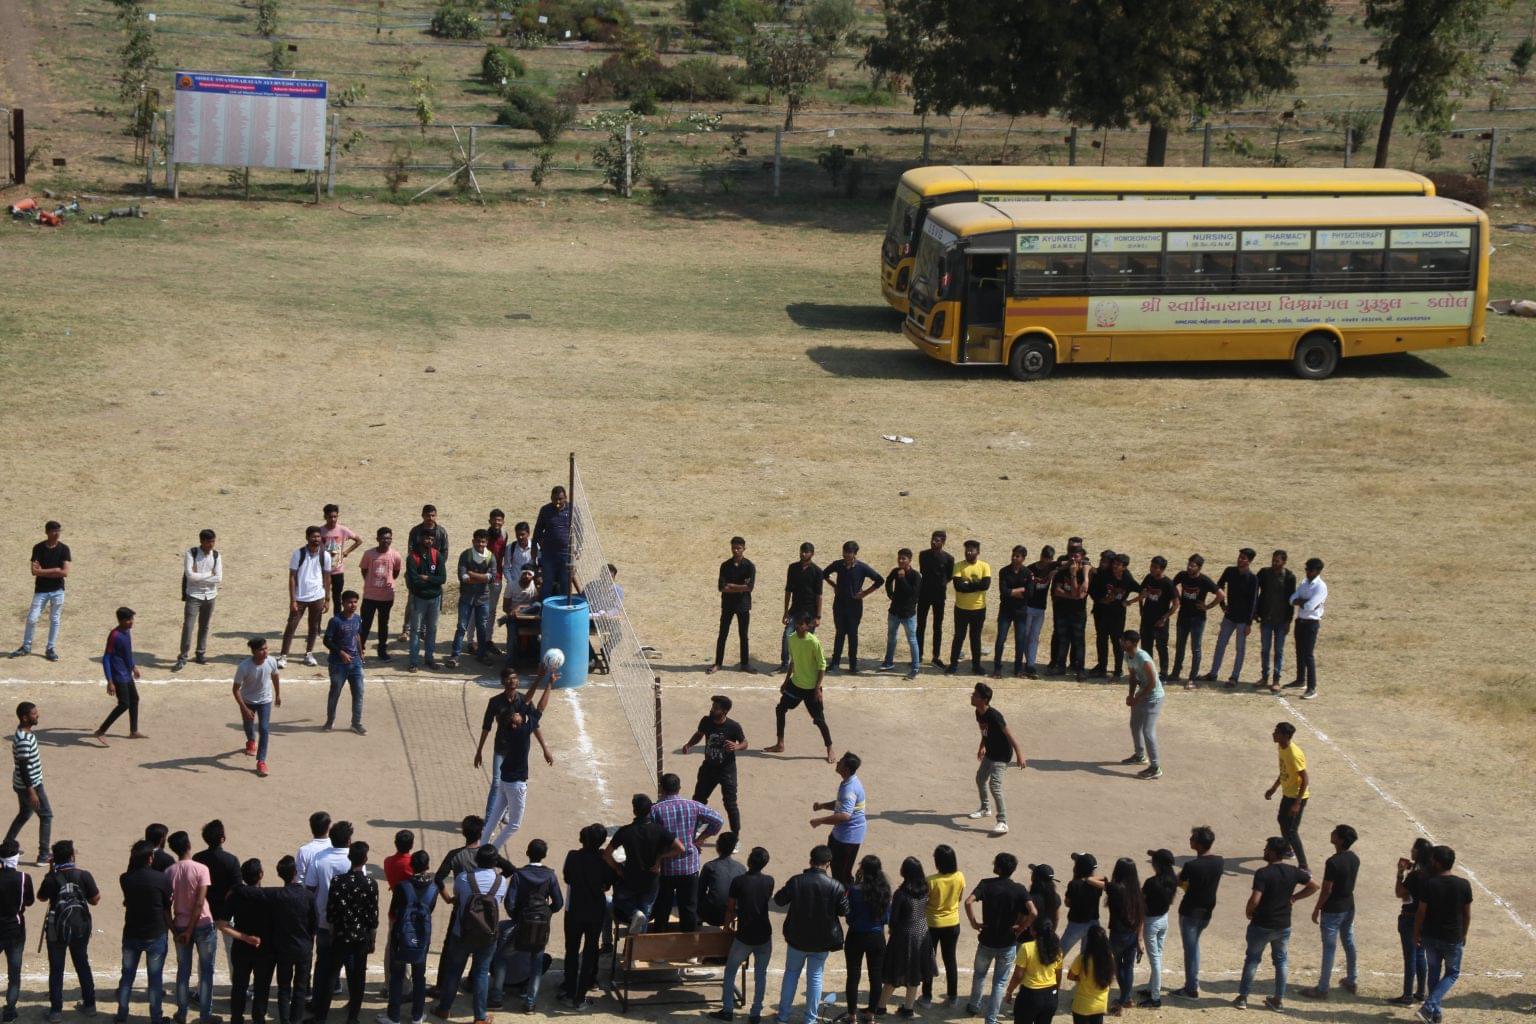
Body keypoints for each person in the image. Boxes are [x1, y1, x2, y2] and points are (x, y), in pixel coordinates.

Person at [1233, 836, 1318, 1011]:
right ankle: (1278, 1000)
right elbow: (1314, 886)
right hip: (1283, 925)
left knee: (1252, 960)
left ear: (1272, 852)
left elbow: (1255, 899)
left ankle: (1242, 998)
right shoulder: (1293, 871)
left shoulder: (1263, 873)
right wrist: (1294, 897)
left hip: (1262, 924)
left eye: (1266, 849)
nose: (1264, 851)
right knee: (1281, 962)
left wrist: (1249, 912)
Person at [772, 846, 848, 1024]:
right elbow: (844, 911)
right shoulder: (836, 886)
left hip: (797, 939)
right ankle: (810, 1020)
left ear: (810, 861)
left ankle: (783, 1017)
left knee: (791, 974)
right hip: (822, 941)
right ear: (828, 864)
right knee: (815, 978)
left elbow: (779, 899)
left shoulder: (797, 881)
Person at [482, 668, 555, 850]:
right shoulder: (523, 732)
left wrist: (538, 679)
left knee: (493, 820)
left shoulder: (510, 728)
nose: (518, 712)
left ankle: (483, 846)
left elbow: (526, 700)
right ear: (516, 723)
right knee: (514, 824)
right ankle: (494, 850)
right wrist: (549, 684)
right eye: (516, 714)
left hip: (506, 781)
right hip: (516, 784)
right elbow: (540, 707)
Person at [434, 846, 505, 1024]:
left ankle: (443, 1009)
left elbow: (458, 898)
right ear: (494, 862)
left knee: (453, 972)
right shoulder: (501, 881)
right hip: (488, 935)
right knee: (481, 973)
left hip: (462, 933)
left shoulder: (463, 879)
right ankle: (480, 1017)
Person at [648, 773, 724, 932]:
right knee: (689, 908)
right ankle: (690, 951)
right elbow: (718, 820)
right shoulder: (693, 805)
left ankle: (658, 947)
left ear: (661, 788)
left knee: (663, 907)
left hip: (666, 868)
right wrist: (700, 839)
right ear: (679, 788)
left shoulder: (655, 810)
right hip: (689, 866)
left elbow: (650, 836)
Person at [312, 842, 376, 1024]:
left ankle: (321, 1017)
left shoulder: (338, 881)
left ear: (350, 858)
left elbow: (331, 913)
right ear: (365, 860)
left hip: (340, 936)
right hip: (361, 937)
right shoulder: (370, 884)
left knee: (331, 976)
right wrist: (372, 940)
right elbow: (372, 916)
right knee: (358, 977)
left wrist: (332, 935)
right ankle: (353, 1017)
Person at [964, 853, 1029, 1024]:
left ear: (998, 868)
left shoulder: (986, 884)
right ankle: (991, 1019)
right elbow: (1034, 912)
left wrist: (974, 923)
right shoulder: (1019, 889)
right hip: (1007, 942)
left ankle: (973, 1005)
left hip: (986, 940)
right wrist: (1021, 928)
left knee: (979, 975)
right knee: (999, 983)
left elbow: (968, 902)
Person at [39, 839, 100, 1022]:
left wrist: (51, 873)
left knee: (56, 969)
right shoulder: (84, 875)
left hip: (55, 929)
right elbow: (95, 900)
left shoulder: (51, 878)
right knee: (82, 964)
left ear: (54, 859)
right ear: (72, 856)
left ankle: (56, 1011)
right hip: (80, 927)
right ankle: (90, 1005)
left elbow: (41, 898)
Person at [605, 795, 683, 935]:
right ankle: (637, 951)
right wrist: (660, 858)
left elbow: (607, 854)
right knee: (646, 910)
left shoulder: (625, 831)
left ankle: (634, 912)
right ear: (650, 811)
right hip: (651, 879)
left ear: (635, 811)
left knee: (618, 899)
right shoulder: (659, 830)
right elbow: (680, 848)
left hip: (630, 878)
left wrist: (618, 868)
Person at [1414, 844, 1472, 1024]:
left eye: (1432, 859)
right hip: (1452, 937)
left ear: (1437, 863)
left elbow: (1421, 912)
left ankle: (1434, 1013)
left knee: (1434, 972)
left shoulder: (1430, 884)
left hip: (1431, 936)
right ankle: (1430, 1008)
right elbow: (1466, 914)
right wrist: (1464, 934)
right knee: (1452, 973)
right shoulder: (1463, 884)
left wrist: (1417, 933)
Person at [116, 840, 173, 1024]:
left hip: (132, 933)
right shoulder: (162, 878)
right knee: (155, 980)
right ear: (150, 858)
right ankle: (156, 1018)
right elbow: (166, 904)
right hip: (156, 933)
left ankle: (121, 1015)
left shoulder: (125, 878)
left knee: (127, 977)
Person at [1301, 824, 1359, 1001]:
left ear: (1340, 839)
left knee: (1329, 948)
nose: (1331, 833)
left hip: (1333, 909)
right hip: (1348, 906)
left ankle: (1322, 988)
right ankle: (1351, 979)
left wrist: (1317, 908)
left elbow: (1326, 890)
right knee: (1348, 941)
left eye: (1335, 832)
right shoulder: (1354, 858)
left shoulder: (1333, 862)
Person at [716, 846, 773, 1023]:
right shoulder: (769, 881)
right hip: (764, 934)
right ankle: (755, 1013)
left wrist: (726, 926)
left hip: (744, 936)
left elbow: (730, 907)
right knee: (760, 975)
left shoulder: (739, 881)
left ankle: (727, 1009)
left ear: (749, 861)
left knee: (730, 970)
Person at [558, 825, 612, 1010]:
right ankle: (581, 995)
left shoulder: (572, 856)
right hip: (595, 912)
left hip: (574, 911)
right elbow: (609, 883)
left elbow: (567, 878)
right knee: (590, 952)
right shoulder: (604, 860)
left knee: (571, 951)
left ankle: (569, 988)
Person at [167, 830, 218, 1024]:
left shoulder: (169, 872)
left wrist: (176, 930)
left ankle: (181, 1013)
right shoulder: (201, 869)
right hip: (203, 924)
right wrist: (190, 930)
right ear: (188, 845)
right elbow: (199, 902)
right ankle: (205, 1016)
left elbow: (165, 905)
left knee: (183, 971)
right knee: (206, 972)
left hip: (180, 926)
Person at [766, 615, 832, 762]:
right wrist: (785, 681)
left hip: (811, 688)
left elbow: (822, 666)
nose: (798, 626)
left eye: (801, 624)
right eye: (797, 623)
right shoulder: (792, 639)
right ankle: (780, 743)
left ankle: (830, 749)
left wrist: (817, 689)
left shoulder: (814, 642)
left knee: (819, 720)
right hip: (795, 684)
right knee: (780, 709)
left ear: (808, 626)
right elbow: (793, 661)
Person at [506, 839, 563, 1011]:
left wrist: (518, 918)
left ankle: (496, 993)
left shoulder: (518, 875)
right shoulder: (550, 875)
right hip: (540, 926)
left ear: (527, 853)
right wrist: (545, 914)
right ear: (544, 855)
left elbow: (510, 903)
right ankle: (530, 1002)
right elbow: (558, 902)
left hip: (520, 924)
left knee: (503, 955)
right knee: (537, 962)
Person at [1170, 825, 1222, 1000]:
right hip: (1207, 912)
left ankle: (1191, 988)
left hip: (1190, 911)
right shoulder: (1219, 861)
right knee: (1194, 947)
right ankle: (1193, 983)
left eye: (1192, 839)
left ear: (1198, 844)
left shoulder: (1191, 866)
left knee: (1190, 950)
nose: (1190, 840)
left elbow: (1178, 881)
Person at [684, 695, 747, 835]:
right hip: (708, 768)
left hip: (727, 771)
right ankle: (698, 825)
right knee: (698, 799)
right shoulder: (706, 721)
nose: (712, 710)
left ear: (724, 711)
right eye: (712, 707)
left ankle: (735, 836)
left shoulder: (733, 726)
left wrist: (737, 746)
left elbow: (745, 743)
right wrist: (689, 744)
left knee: (730, 804)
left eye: (716, 708)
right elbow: (699, 734)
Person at [967, 683, 1025, 836]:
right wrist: (981, 747)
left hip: (1002, 755)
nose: (972, 696)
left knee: (994, 785)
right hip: (991, 752)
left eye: (975, 695)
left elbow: (1009, 735)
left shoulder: (994, 715)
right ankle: (985, 809)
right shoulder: (978, 713)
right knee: (980, 779)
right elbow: (984, 732)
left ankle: (1003, 821)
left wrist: (1019, 754)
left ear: (984, 699)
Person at [220, 859, 271, 1024]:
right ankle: (259, 1018)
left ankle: (236, 1018)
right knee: (262, 986)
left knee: (239, 985)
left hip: (241, 947)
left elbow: (222, 925)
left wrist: (245, 938)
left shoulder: (235, 896)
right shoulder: (268, 897)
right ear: (261, 874)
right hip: (262, 948)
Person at [881, 857, 933, 1018]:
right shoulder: (925, 889)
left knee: (894, 971)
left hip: (904, 935)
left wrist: (892, 930)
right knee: (915, 972)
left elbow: (894, 918)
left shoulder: (901, 894)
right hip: (922, 933)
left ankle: (880, 1006)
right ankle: (908, 1008)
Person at [12, 520, 72, 662]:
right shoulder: (38, 548)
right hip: (41, 590)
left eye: (58, 531)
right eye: (53, 531)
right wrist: (55, 570)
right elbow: (34, 571)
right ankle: (26, 646)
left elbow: (64, 572)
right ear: (47, 532)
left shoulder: (64, 549)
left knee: (55, 619)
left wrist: (44, 571)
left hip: (57, 590)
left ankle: (50, 648)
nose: (57, 534)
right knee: (32, 618)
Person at [266, 855, 315, 1024]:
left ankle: (285, 1021)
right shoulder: (308, 895)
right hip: (303, 947)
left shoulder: (277, 896)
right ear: (295, 872)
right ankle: (295, 1021)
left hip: (283, 948)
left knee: (284, 988)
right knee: (300, 988)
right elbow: (314, 924)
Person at [823, 542, 884, 675]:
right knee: (839, 633)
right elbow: (824, 574)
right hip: (839, 605)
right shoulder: (838, 564)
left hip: (854, 606)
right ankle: (835, 663)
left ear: (854, 554)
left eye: (849, 553)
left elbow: (879, 580)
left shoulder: (862, 568)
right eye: (844, 552)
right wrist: (834, 585)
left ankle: (853, 665)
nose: (846, 555)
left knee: (852, 635)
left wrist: (865, 593)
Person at [843, 855, 891, 1022]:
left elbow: (847, 914)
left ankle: (852, 1015)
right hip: (876, 937)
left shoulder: (854, 890)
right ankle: (871, 1014)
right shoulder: (885, 889)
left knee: (853, 975)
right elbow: (886, 918)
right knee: (876, 976)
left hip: (855, 935)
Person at [1389, 839, 1434, 1007]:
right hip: (1425, 919)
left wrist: (1400, 873)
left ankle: (1407, 995)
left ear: (1419, 852)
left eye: (1414, 849)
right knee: (1420, 954)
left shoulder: (1416, 875)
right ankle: (1421, 992)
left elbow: (1400, 892)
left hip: (1410, 918)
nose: (1411, 851)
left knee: (1410, 957)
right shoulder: (1430, 872)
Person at [1204, 548, 1258, 686]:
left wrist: (1249, 623)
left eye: (1244, 558)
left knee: (1239, 648)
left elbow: (1253, 602)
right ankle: (1213, 673)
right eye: (1240, 556)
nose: (1240, 559)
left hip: (1242, 620)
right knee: (1220, 644)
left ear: (1249, 561)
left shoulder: (1252, 578)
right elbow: (1219, 586)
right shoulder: (1229, 571)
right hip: (1229, 616)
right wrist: (1222, 605)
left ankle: (1234, 677)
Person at [279, 526, 332, 669]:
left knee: (314, 627)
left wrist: (327, 598)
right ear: (307, 538)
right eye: (313, 537)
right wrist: (293, 600)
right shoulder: (298, 554)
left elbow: (327, 578)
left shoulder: (325, 555)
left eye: (318, 537)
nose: (316, 540)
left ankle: (309, 654)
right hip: (300, 597)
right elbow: (292, 578)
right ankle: (283, 655)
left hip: (317, 596)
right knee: (291, 626)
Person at [810, 752, 866, 886]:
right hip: (840, 835)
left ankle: (844, 901)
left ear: (846, 769)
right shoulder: (848, 782)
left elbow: (845, 815)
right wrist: (823, 806)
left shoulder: (850, 789)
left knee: (841, 873)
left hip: (848, 838)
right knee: (835, 867)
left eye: (840, 762)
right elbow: (841, 805)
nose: (837, 763)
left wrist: (820, 820)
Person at [193, 820, 241, 967]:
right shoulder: (231, 860)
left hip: (205, 912)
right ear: (222, 839)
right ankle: (238, 986)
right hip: (227, 912)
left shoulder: (198, 859)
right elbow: (237, 887)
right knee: (232, 951)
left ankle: (203, 988)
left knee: (205, 954)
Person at [921, 846, 964, 1008]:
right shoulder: (960, 876)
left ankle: (926, 996)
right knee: (950, 959)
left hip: (932, 924)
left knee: (929, 959)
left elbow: (924, 902)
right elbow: (959, 898)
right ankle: (953, 997)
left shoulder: (931, 880)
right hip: (953, 923)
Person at [6, 702, 49, 863]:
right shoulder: (24, 739)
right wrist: (32, 792)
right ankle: (44, 855)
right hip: (30, 785)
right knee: (46, 816)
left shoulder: (24, 733)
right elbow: (24, 767)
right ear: (25, 718)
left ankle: (7, 845)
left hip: (21, 784)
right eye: (34, 713)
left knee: (24, 813)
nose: (37, 715)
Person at [93, 607, 144, 744]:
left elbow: (127, 652)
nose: (132, 622)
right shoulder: (114, 635)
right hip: (118, 675)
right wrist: (110, 681)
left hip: (126, 674)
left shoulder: (126, 632)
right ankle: (101, 731)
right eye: (129, 620)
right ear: (121, 620)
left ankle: (134, 731)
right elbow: (106, 658)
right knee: (124, 704)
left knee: (134, 699)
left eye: (132, 619)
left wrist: (133, 667)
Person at [175, 529, 222, 672]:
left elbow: (218, 578)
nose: (211, 545)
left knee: (204, 625)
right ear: (201, 541)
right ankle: (183, 657)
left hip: (210, 595)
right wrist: (209, 574)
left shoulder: (216, 555)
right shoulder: (191, 553)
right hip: (194, 595)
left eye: (213, 541)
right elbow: (190, 576)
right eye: (208, 542)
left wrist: (199, 575)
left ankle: (200, 653)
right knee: (188, 626)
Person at [233, 637, 281, 778]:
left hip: (265, 700)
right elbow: (235, 689)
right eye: (261, 649)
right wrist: (245, 708)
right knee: (248, 725)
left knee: (264, 729)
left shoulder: (271, 661)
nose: (265, 652)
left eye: (266, 648)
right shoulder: (244, 667)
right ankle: (251, 741)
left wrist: (278, 695)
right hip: (247, 700)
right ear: (254, 651)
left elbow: (275, 677)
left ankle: (261, 761)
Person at [400, 505, 448, 647]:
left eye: (433, 515)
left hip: (434, 572)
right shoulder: (415, 531)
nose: (430, 518)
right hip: (417, 571)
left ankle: (424, 630)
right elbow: (410, 550)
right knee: (413, 600)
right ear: (422, 515)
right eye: (427, 515)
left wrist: (436, 567)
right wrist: (417, 568)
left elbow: (444, 551)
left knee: (432, 600)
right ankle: (406, 629)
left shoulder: (441, 532)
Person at [1266, 721, 1310, 871]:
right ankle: (1287, 849)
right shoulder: (1281, 747)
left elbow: (1305, 779)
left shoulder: (1294, 754)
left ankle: (1304, 866)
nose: (1273, 734)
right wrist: (1274, 788)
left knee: (1292, 831)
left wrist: (1297, 803)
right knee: (1281, 820)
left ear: (1285, 736)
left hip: (1297, 796)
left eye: (1276, 732)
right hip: (1287, 793)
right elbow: (1284, 770)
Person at [448, 530, 496, 669]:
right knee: (461, 627)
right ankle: (455, 655)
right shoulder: (466, 555)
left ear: (486, 542)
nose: (481, 544)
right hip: (467, 598)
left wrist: (472, 574)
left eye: (483, 542)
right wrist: (481, 578)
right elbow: (462, 577)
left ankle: (481, 655)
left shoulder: (490, 557)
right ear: (473, 541)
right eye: (478, 541)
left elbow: (491, 578)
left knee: (482, 628)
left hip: (483, 598)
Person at [1120, 630, 1164, 780]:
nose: (1121, 642)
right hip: (1142, 695)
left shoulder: (1143, 658)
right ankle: (1139, 756)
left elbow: (1152, 682)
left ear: (1132, 643)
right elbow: (1132, 678)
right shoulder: (1128, 656)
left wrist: (1138, 696)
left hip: (1154, 698)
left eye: (1124, 640)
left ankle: (1155, 767)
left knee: (1147, 731)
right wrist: (1131, 695)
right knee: (1134, 725)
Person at [322, 591, 367, 735]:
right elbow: (327, 640)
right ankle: (330, 721)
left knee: (359, 693)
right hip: (338, 664)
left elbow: (357, 635)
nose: (353, 605)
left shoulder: (357, 619)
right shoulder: (335, 621)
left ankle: (356, 723)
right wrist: (341, 653)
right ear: (343, 603)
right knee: (335, 693)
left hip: (356, 663)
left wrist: (360, 652)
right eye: (349, 602)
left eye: (355, 602)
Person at [1169, 554, 1218, 684]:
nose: (1189, 567)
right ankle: (1175, 674)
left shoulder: (1204, 580)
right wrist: (1177, 596)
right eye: (1189, 564)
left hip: (1198, 619)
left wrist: (1208, 606)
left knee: (1195, 648)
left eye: (1193, 565)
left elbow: (1221, 595)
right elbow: (1171, 585)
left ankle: (1192, 678)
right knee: (1180, 646)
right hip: (1183, 616)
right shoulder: (1182, 575)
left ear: (1199, 567)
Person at [1103, 858, 1144, 1014]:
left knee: (1118, 966)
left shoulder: (1115, 888)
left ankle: (1123, 1000)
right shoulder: (1136, 891)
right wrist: (1140, 939)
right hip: (1132, 935)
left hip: (1118, 934)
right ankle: (1126, 998)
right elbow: (1141, 917)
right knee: (1128, 967)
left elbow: (1097, 883)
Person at [1088, 553, 1138, 680]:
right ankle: (1102, 668)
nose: (1114, 566)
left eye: (1117, 564)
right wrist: (1102, 600)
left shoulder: (1127, 578)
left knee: (1117, 642)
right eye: (1114, 563)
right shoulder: (1104, 575)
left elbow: (1142, 589)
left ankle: (1118, 670)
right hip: (1101, 613)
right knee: (1101, 640)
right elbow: (1093, 591)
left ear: (1124, 567)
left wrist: (1130, 602)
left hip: (1117, 615)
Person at [711, 537, 756, 674]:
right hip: (728, 605)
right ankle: (718, 663)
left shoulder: (749, 566)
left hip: (743, 605)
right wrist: (740, 587)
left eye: (738, 548)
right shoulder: (725, 566)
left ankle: (745, 663)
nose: (736, 551)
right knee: (723, 634)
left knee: (743, 635)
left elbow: (749, 588)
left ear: (744, 549)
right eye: (734, 548)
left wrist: (732, 585)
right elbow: (721, 587)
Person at [1139, 849, 1177, 1008]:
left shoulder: (1151, 882)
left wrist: (1139, 933)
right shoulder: (1173, 879)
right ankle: (1151, 988)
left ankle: (1155, 997)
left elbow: (1141, 904)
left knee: (1155, 960)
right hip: (1164, 919)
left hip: (1152, 922)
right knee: (1158, 955)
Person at [1254, 551, 1297, 691]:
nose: (1274, 563)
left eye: (1277, 561)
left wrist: (1288, 621)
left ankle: (1276, 679)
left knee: (1279, 651)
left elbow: (1291, 600)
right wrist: (1255, 611)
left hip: (1281, 620)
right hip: (1266, 618)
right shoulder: (1264, 573)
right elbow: (1254, 588)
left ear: (1284, 562)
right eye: (1273, 560)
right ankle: (1264, 677)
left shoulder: (1289, 577)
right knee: (1265, 649)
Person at [404, 532, 446, 673]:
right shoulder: (412, 558)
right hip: (419, 598)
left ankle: (429, 658)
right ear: (420, 538)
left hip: (435, 599)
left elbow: (442, 579)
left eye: (431, 539)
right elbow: (414, 581)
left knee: (432, 629)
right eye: (426, 538)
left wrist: (427, 578)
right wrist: (432, 582)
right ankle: (413, 662)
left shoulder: (437, 555)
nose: (429, 541)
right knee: (416, 630)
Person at [358, 528, 402, 662]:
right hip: (370, 596)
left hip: (386, 597)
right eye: (383, 538)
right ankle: (360, 650)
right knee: (365, 624)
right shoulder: (369, 554)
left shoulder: (395, 555)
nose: (386, 541)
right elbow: (364, 570)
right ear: (377, 539)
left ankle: (382, 650)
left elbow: (395, 573)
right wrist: (371, 584)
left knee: (383, 625)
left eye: (389, 538)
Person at [1008, 917, 1064, 1024]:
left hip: (1030, 996)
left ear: (1034, 932)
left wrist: (1009, 991)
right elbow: (1058, 976)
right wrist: (1055, 993)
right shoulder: (1057, 949)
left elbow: (1018, 976)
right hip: (1050, 997)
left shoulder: (1026, 947)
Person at [0, 839, 32, 1021]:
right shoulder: (23, 878)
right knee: (14, 974)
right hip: (15, 930)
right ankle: (10, 1011)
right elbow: (29, 901)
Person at [947, 541, 990, 675]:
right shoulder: (958, 566)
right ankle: (953, 665)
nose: (968, 552)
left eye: (971, 550)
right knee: (959, 636)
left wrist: (968, 583)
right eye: (967, 550)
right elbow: (959, 587)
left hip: (978, 609)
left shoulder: (984, 566)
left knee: (975, 637)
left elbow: (985, 585)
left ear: (978, 552)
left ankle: (976, 666)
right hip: (961, 609)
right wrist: (975, 584)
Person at [778, 543, 823, 674]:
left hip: (810, 612)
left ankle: (802, 666)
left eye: (807, 552)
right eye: (802, 551)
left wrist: (818, 616)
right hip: (795, 610)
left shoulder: (817, 571)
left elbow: (819, 595)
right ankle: (784, 664)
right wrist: (785, 611)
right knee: (787, 636)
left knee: (806, 640)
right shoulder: (793, 568)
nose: (803, 554)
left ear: (812, 554)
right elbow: (788, 591)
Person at [1128, 557, 1175, 679]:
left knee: (1161, 647)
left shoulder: (1168, 583)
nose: (1152, 569)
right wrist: (1139, 606)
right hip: (1147, 619)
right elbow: (1142, 593)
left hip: (1160, 621)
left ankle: (1163, 673)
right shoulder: (1148, 578)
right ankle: (1148, 672)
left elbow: (1176, 604)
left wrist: (1164, 618)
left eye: (1155, 567)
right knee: (1146, 647)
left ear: (1162, 569)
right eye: (1151, 566)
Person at [1046, 549, 1089, 681]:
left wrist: (1073, 575)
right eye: (1071, 555)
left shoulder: (1084, 573)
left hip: (1078, 614)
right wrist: (1073, 596)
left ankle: (1080, 670)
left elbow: (1081, 594)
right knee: (1063, 640)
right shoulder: (1062, 571)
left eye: (1076, 555)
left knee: (1079, 642)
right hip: (1063, 612)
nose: (1073, 558)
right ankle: (1060, 666)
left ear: (1082, 557)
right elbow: (1058, 591)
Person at [878, 549, 922, 679]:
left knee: (912, 640)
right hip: (894, 612)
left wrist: (902, 579)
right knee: (891, 637)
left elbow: (912, 593)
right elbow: (888, 581)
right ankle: (889, 662)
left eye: (903, 558)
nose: (900, 561)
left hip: (908, 614)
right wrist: (890, 594)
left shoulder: (915, 576)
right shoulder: (895, 572)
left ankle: (915, 667)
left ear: (910, 560)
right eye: (899, 558)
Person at [1287, 558, 1327, 699]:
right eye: (1306, 569)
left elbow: (1311, 606)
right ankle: (1300, 680)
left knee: (1308, 655)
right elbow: (1292, 599)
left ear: (1317, 571)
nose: (1307, 572)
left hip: (1311, 623)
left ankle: (1312, 687)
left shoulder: (1320, 587)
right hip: (1300, 621)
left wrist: (1302, 602)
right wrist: (1303, 602)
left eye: (1310, 570)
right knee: (1299, 651)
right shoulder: (1304, 583)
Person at [991, 546, 1031, 679]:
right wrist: (1018, 591)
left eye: (1017, 556)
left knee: (1020, 640)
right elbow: (1003, 591)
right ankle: (997, 668)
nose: (1014, 558)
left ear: (1023, 558)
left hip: (1020, 611)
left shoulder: (1027, 573)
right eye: (1013, 555)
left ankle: (1018, 669)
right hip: (1006, 610)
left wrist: (1012, 592)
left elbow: (1030, 593)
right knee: (1000, 639)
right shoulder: (1004, 571)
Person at [916, 532, 954, 671]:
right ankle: (918, 654)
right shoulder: (923, 555)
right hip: (924, 594)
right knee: (921, 624)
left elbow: (949, 576)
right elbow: (922, 571)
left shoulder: (949, 558)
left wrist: (941, 584)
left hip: (939, 595)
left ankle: (936, 656)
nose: (933, 542)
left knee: (937, 626)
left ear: (943, 542)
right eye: (932, 540)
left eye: (937, 540)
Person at [1060, 853, 1106, 957]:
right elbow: (1102, 879)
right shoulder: (1099, 883)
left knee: (1059, 954)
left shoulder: (1074, 884)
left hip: (1076, 925)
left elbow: (1067, 903)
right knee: (1086, 957)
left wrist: (1076, 876)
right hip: (1094, 924)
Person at [1021, 548, 1056, 679]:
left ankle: (1031, 664)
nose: (1047, 561)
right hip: (1029, 606)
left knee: (1034, 637)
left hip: (1041, 608)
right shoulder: (1030, 569)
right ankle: (1025, 661)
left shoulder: (1052, 567)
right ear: (1041, 556)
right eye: (1045, 557)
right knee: (1025, 635)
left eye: (1050, 559)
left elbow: (1066, 563)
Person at [1066, 924, 1113, 1024]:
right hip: (1100, 1006)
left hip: (1082, 1006)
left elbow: (1070, 976)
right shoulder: (1109, 958)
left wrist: (1081, 978)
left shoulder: (1083, 958)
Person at [318, 505, 362, 610]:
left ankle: (337, 622)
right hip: (322, 570)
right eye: (330, 517)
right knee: (319, 597)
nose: (333, 519)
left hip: (337, 570)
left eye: (335, 516)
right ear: (325, 517)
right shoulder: (320, 531)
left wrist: (346, 552)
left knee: (337, 598)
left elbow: (358, 541)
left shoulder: (342, 530)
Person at [699, 833, 746, 929]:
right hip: (733, 914)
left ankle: (697, 925)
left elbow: (699, 892)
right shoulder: (741, 868)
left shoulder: (710, 866)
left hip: (710, 915)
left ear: (717, 847)